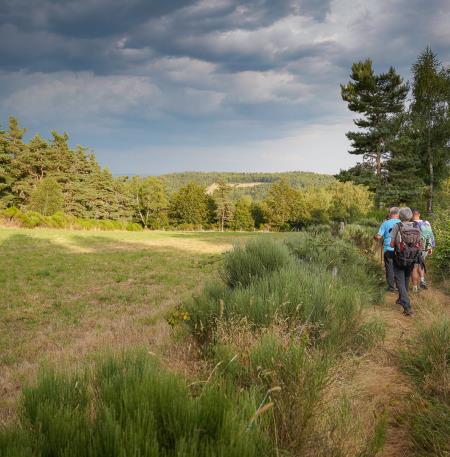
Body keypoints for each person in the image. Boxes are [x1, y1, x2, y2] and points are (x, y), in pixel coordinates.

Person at [390, 207, 422, 316]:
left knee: (399, 281)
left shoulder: (397, 226)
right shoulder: (416, 226)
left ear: (400, 216)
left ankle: (407, 307)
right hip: (413, 258)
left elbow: (391, 244)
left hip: (400, 258)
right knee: (406, 279)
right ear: (410, 216)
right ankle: (401, 299)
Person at [374, 207, 400, 293]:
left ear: (390, 214)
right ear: (397, 214)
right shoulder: (401, 223)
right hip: (399, 250)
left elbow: (378, 237)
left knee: (389, 268)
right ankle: (399, 286)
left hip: (388, 249)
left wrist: (375, 237)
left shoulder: (385, 223)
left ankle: (391, 287)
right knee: (398, 267)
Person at [411, 208, 435, 292]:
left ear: (412, 215)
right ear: (419, 214)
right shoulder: (427, 222)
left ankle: (415, 288)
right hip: (426, 247)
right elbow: (431, 235)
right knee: (421, 263)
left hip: (416, 248)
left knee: (414, 267)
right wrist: (431, 247)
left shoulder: (412, 224)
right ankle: (422, 280)